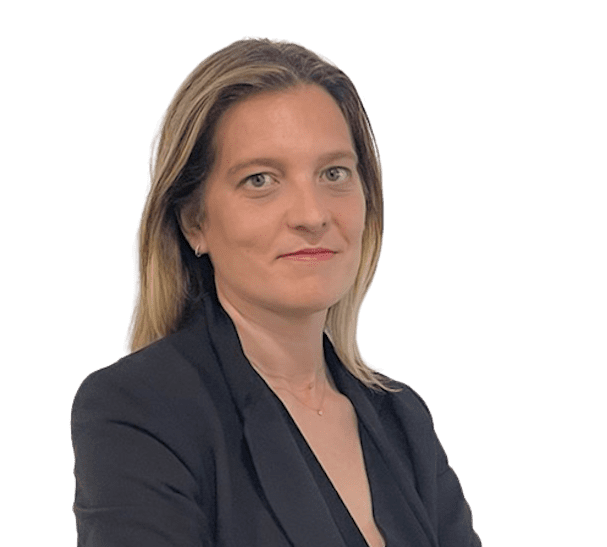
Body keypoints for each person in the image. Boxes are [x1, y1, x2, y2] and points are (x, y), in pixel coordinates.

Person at [71, 36, 481, 547]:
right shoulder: (142, 408)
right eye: (260, 180)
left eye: (334, 173)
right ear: (194, 221)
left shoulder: (401, 419)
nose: (312, 215)